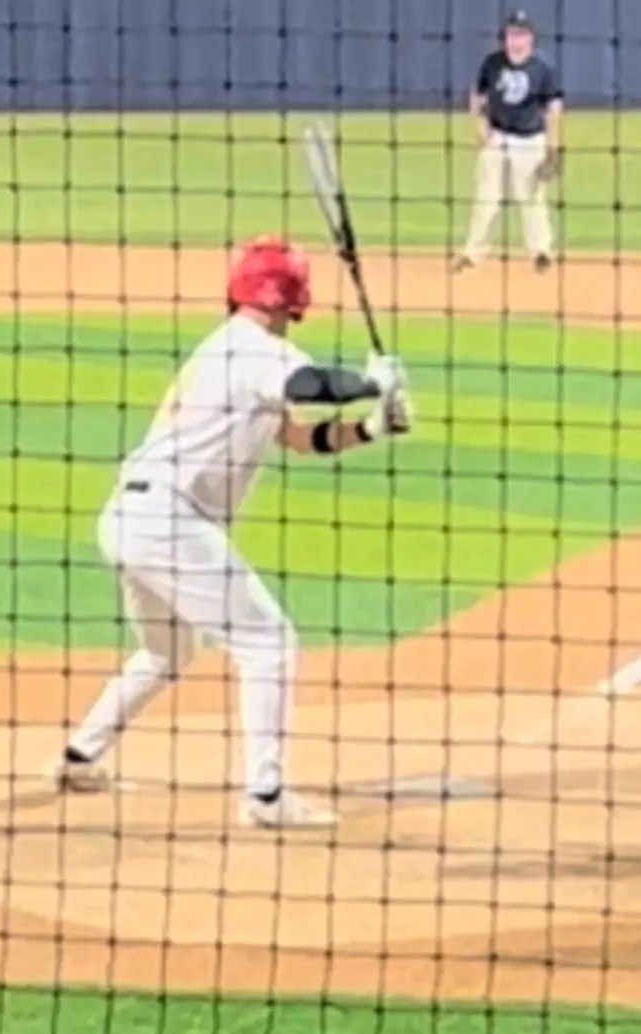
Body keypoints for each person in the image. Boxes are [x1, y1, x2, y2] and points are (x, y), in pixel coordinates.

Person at [48, 235, 413, 828]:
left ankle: (79, 757)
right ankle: (266, 797)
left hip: (131, 519)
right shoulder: (255, 350)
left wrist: (371, 428)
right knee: (269, 643)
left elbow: (301, 438)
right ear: (295, 296)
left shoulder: (230, 349)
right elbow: (312, 386)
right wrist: (371, 383)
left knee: (168, 651)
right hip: (169, 522)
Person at [453, 9, 563, 273]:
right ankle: (473, 253)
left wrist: (553, 145)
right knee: (486, 199)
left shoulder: (543, 67)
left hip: (530, 140)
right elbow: (478, 95)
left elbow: (553, 107)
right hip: (497, 137)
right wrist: (479, 126)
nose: (516, 40)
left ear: (531, 38)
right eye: (512, 34)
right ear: (505, 37)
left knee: (532, 199)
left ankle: (541, 252)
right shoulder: (493, 63)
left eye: (521, 34)